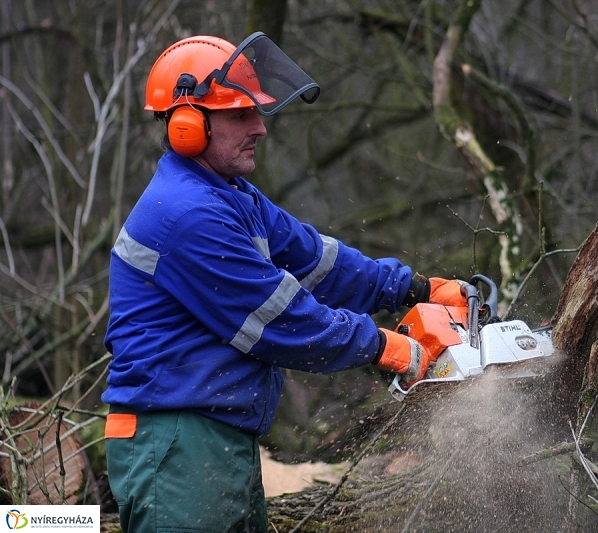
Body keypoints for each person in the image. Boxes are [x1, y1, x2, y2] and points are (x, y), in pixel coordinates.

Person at [101, 33, 467, 533]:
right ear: (187, 125)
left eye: (257, 112)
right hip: (176, 441)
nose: (259, 128)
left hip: (217, 437)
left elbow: (321, 262)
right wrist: (389, 348)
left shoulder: (232, 197)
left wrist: (418, 289)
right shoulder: (186, 214)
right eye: (239, 116)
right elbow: (281, 320)